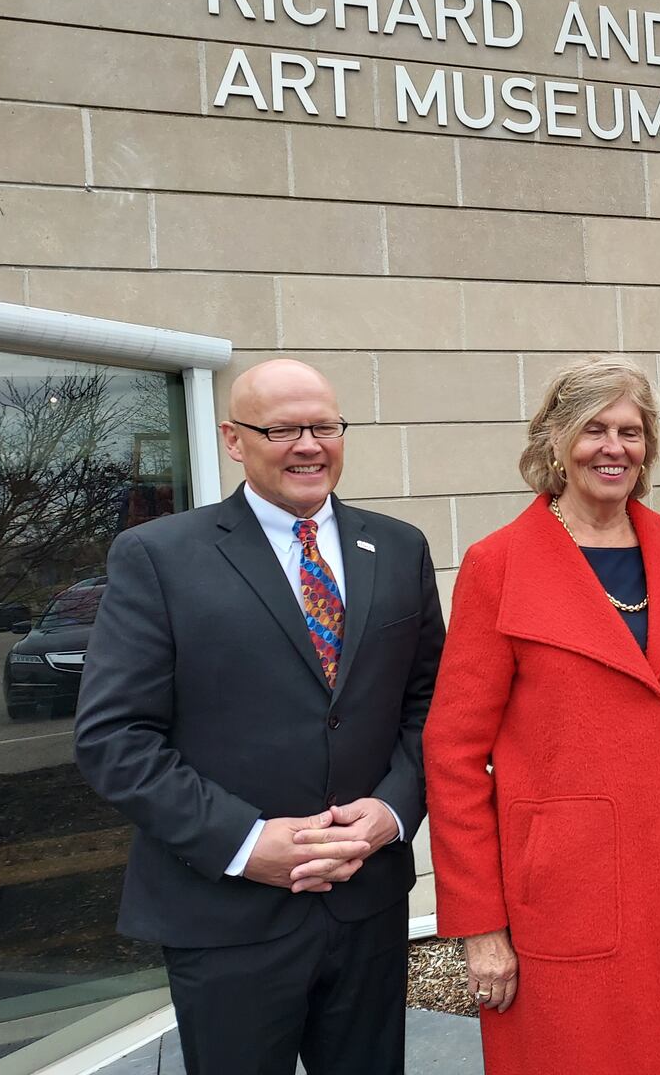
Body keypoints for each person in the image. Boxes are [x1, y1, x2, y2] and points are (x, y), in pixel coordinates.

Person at [74, 359, 445, 1074]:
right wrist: (247, 844)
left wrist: (393, 812)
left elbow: (430, 703)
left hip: (366, 898)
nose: (309, 445)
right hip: (227, 912)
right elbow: (114, 738)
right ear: (234, 440)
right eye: (282, 429)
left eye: (325, 426)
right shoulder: (159, 556)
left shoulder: (398, 547)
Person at [424, 355, 660, 1075]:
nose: (614, 447)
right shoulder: (498, 564)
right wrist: (480, 925)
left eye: (631, 432)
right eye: (593, 429)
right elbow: (451, 753)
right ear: (554, 442)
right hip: (564, 891)